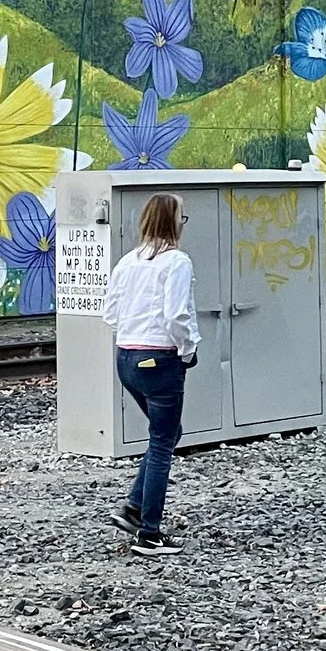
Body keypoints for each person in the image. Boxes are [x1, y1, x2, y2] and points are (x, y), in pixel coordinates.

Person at [101, 192, 200, 558]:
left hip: (127, 358)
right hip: (161, 359)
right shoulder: (177, 262)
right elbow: (177, 316)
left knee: (167, 433)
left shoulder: (127, 261)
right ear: (173, 222)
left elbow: (110, 314)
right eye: (182, 218)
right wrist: (188, 351)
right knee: (162, 442)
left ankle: (132, 508)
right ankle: (150, 534)